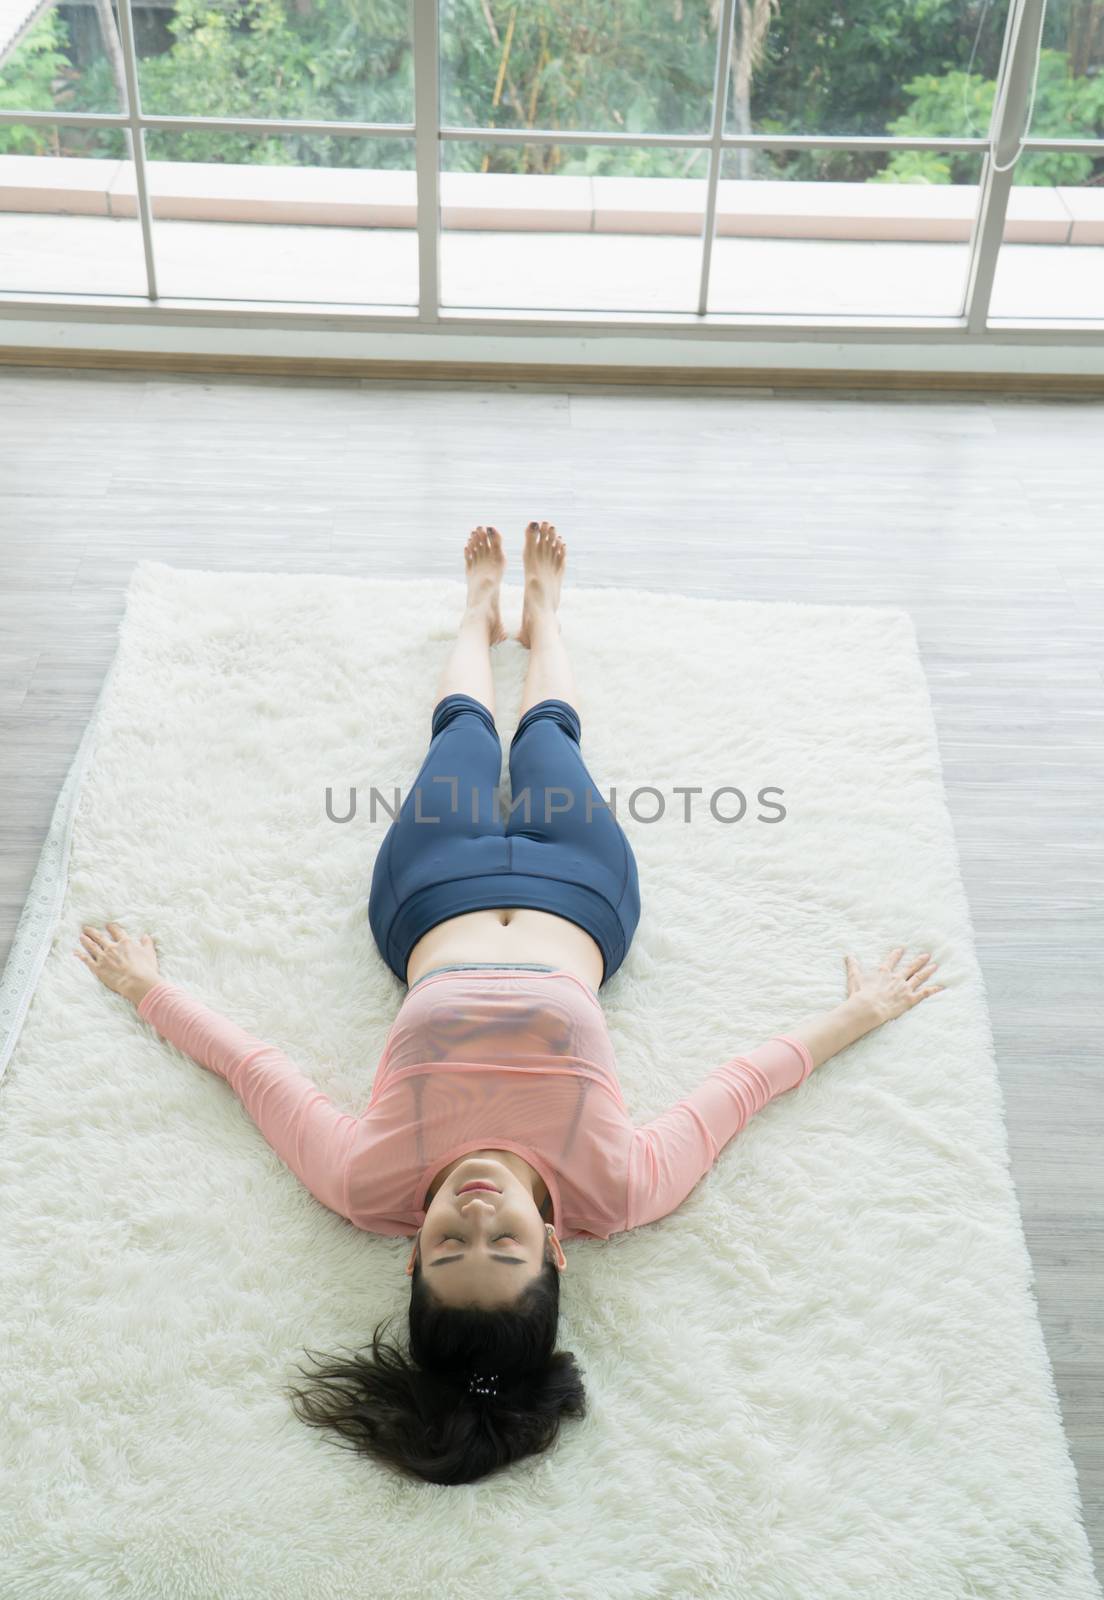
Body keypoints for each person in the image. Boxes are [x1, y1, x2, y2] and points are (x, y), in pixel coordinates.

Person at [75, 520, 945, 1486]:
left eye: (448, 1244)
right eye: (506, 1243)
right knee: (546, 738)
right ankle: (549, 622)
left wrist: (147, 990)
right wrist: (861, 1012)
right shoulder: (617, 1191)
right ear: (556, 1252)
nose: (475, 1212)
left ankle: (478, 613)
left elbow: (254, 1069)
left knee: (459, 734)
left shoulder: (368, 1187)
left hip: (428, 897)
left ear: (411, 1259)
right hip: (580, 894)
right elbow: (741, 1087)